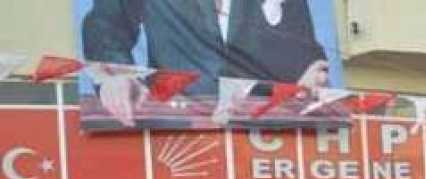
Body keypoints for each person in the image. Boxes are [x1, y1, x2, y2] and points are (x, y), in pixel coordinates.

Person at [81, 0, 330, 122]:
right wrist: (117, 76)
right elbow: (106, 26)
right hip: (176, 125)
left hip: (261, 127)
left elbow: (303, 48)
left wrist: (312, 74)